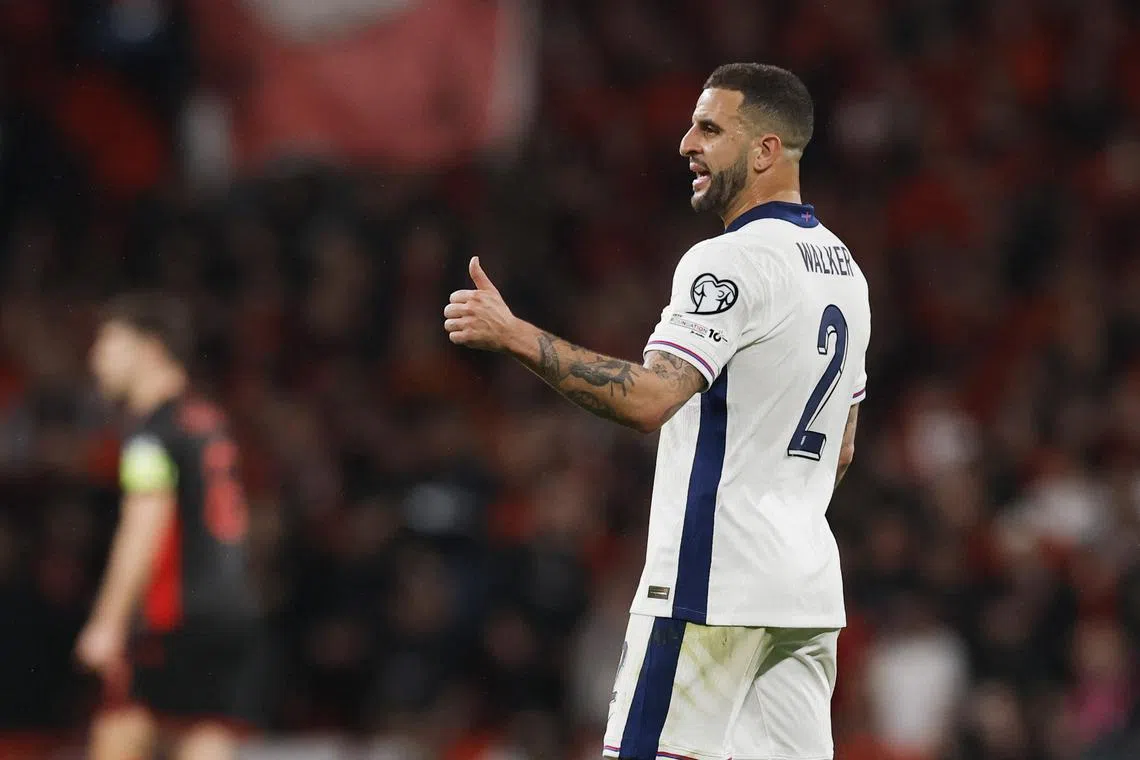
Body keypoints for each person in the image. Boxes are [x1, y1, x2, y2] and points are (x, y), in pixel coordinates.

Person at [443, 63, 870, 760]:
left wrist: (512, 334)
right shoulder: (845, 270)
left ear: (765, 149)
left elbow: (650, 399)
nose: (685, 144)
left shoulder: (728, 261)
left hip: (713, 588)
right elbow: (842, 448)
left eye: (709, 128)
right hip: (805, 594)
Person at [76, 294, 264, 760]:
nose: (96, 358)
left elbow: (144, 526)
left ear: (150, 348)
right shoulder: (209, 421)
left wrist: (107, 621)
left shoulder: (151, 435)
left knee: (118, 731)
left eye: (109, 342)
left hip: (173, 614)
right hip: (230, 613)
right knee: (203, 735)